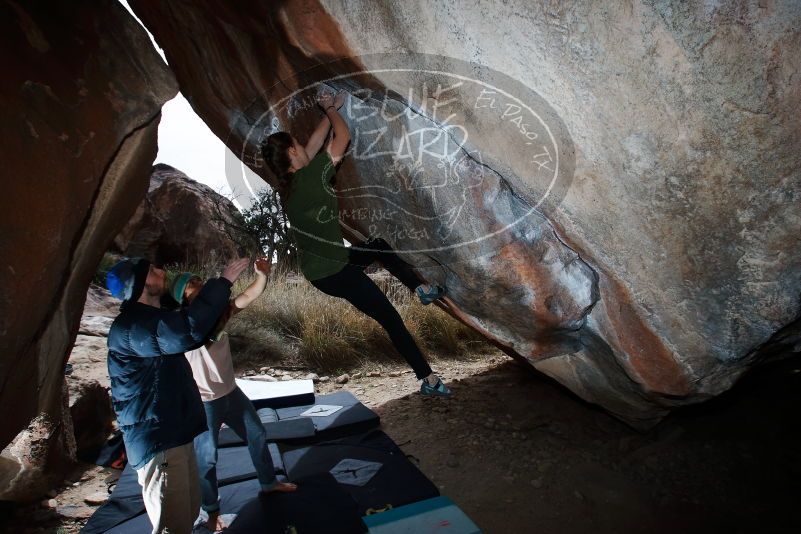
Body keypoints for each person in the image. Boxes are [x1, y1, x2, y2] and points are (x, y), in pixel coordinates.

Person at [260, 90, 451, 397]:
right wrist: (333, 111)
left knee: (378, 246)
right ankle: (427, 379)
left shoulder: (293, 186)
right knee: (390, 318)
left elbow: (313, 145)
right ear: (293, 154)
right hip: (336, 272)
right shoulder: (314, 177)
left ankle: (420, 290)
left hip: (325, 268)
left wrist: (328, 111)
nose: (302, 145)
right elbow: (343, 136)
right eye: (296, 144)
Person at [106, 256, 250, 533]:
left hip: (176, 432)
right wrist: (222, 283)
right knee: (173, 525)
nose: (161, 270)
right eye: (151, 271)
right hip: (158, 440)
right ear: (136, 285)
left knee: (188, 512)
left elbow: (193, 327)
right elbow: (187, 331)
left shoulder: (153, 319)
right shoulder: (131, 327)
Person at [172, 259, 296, 532]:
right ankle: (211, 512)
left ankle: (268, 483)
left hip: (231, 392)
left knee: (257, 434)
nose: (201, 285)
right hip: (205, 402)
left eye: (199, 280)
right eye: (193, 285)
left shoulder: (218, 313)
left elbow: (249, 294)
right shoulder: (182, 326)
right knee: (207, 459)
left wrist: (262, 275)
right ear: (183, 298)